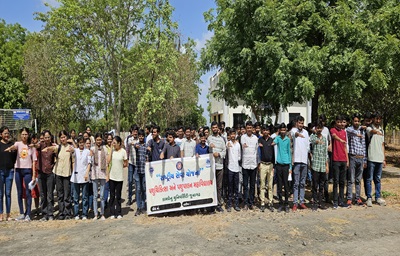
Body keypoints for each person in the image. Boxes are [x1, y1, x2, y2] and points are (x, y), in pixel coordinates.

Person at [4, 127, 37, 221]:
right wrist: (10, 148)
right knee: (19, 192)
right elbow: (14, 147)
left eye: (26, 134)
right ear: (20, 135)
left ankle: (28, 214)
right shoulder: (18, 144)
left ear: (28, 135)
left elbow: (34, 161)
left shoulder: (31, 146)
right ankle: (22, 213)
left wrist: (34, 175)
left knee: (28, 192)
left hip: (27, 171)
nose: (24, 136)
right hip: (18, 170)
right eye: (22, 134)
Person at [44, 130, 74, 220]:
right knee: (60, 194)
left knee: (67, 195)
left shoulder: (70, 147)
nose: (63, 139)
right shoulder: (58, 147)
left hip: (67, 173)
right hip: (58, 173)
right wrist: (47, 148)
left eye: (64, 137)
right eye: (61, 137)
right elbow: (53, 148)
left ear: (67, 137)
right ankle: (61, 213)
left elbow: (73, 160)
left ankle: (67, 212)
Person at [35, 130, 57, 221]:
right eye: (45, 137)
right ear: (43, 138)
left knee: (50, 195)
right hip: (41, 173)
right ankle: (44, 214)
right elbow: (36, 145)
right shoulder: (40, 145)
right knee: (43, 195)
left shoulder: (54, 146)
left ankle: (50, 213)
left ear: (50, 137)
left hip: (50, 173)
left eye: (48, 137)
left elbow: (57, 156)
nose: (47, 139)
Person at [346, 113, 367, 207]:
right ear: (352, 121)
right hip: (353, 157)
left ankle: (357, 198)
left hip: (361, 157)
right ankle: (349, 198)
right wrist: (357, 131)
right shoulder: (350, 130)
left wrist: (365, 159)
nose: (357, 122)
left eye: (358, 121)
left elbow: (364, 146)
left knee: (358, 180)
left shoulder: (362, 131)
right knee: (351, 179)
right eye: (355, 121)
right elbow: (348, 130)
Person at [366, 112, 386, 207]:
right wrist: (376, 131)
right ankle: (369, 197)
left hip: (379, 158)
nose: (378, 120)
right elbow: (370, 131)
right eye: (376, 119)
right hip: (371, 157)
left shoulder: (382, 130)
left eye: (379, 119)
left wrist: (384, 159)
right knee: (369, 178)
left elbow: (382, 145)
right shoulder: (369, 128)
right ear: (373, 119)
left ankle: (377, 197)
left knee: (378, 179)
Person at [290, 115, 310, 211]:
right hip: (297, 160)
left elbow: (308, 146)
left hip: (304, 160)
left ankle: (301, 201)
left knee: (302, 183)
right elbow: (292, 134)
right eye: (299, 123)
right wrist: (297, 134)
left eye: (302, 123)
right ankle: (295, 202)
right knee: (296, 183)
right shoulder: (293, 131)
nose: (301, 124)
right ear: (296, 123)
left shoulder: (306, 133)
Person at [207, 121, 226, 212]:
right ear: (211, 129)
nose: (214, 129)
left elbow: (224, 151)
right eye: (213, 127)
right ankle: (211, 205)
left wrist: (218, 154)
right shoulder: (209, 138)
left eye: (216, 127)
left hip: (220, 166)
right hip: (211, 166)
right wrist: (210, 144)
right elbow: (208, 143)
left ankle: (218, 204)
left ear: (218, 128)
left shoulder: (222, 139)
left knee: (219, 186)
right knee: (211, 185)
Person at [330, 115, 349, 209]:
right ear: (336, 122)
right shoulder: (333, 130)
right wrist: (340, 139)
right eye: (338, 122)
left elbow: (345, 147)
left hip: (343, 160)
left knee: (342, 182)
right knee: (336, 181)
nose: (340, 124)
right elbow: (333, 136)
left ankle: (341, 201)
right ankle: (335, 201)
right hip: (336, 159)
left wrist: (347, 160)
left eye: (341, 122)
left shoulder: (344, 132)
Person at [272, 123, 291, 213]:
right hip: (278, 164)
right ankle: (280, 203)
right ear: (279, 130)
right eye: (281, 130)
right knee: (279, 185)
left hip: (286, 164)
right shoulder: (278, 138)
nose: (283, 131)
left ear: (286, 130)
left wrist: (290, 166)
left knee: (286, 185)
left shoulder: (287, 139)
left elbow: (289, 152)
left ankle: (286, 203)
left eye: (284, 130)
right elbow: (272, 143)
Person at [107, 136, 127, 219]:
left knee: (118, 195)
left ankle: (118, 212)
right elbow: (108, 161)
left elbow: (126, 163)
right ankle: (112, 212)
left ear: (119, 143)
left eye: (115, 142)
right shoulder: (113, 151)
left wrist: (120, 166)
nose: (113, 144)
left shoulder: (123, 152)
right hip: (112, 176)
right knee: (112, 195)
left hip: (119, 177)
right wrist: (111, 149)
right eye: (113, 142)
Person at [310, 121, 329, 211]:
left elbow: (326, 153)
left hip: (322, 164)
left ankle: (321, 202)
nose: (319, 130)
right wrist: (316, 140)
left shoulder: (325, 139)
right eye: (317, 128)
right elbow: (311, 142)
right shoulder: (312, 137)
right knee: (315, 185)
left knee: (321, 185)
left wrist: (327, 165)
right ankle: (314, 202)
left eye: (320, 128)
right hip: (315, 165)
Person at [71, 137, 90, 220]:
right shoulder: (75, 150)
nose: (81, 144)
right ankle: (76, 214)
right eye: (80, 142)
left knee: (85, 197)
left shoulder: (87, 151)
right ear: (78, 143)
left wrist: (87, 173)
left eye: (83, 142)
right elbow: (72, 152)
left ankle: (84, 214)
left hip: (84, 176)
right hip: (76, 176)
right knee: (76, 197)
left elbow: (89, 163)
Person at [240, 121, 259, 211]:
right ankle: (246, 203)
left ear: (252, 129)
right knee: (245, 185)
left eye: (250, 128)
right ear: (246, 128)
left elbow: (256, 151)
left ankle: (251, 202)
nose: (249, 129)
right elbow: (243, 146)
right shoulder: (243, 137)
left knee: (252, 185)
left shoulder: (255, 138)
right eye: (247, 128)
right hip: (245, 164)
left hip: (253, 164)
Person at [0, 126, 17, 221]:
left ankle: (8, 214)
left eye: (8, 133)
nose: (7, 135)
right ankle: (1, 214)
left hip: (10, 171)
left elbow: (15, 158)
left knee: (8, 193)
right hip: (0, 172)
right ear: (1, 134)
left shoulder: (12, 145)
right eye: (5, 133)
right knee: (0, 194)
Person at [91, 132, 108, 220]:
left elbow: (107, 162)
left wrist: (107, 175)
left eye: (100, 140)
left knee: (101, 195)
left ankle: (102, 213)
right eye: (97, 140)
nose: (98, 141)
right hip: (94, 173)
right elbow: (89, 160)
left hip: (102, 173)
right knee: (95, 195)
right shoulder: (93, 149)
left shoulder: (104, 149)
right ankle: (95, 214)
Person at [258, 125, 275, 212]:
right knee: (262, 185)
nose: (265, 132)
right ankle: (262, 202)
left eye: (267, 130)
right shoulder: (260, 140)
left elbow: (274, 153)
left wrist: (274, 166)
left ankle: (270, 202)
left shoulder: (272, 140)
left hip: (270, 165)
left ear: (269, 132)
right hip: (263, 165)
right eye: (264, 130)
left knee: (270, 185)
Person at [226, 128, 241, 212]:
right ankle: (229, 205)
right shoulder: (228, 143)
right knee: (230, 187)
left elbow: (239, 156)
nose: (232, 136)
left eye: (233, 134)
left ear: (235, 135)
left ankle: (236, 204)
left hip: (236, 168)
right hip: (230, 168)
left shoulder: (238, 145)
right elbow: (225, 149)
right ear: (229, 135)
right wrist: (227, 146)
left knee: (236, 188)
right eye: (231, 134)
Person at [134, 129, 148, 216]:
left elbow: (147, 157)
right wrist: (135, 146)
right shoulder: (136, 145)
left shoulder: (146, 146)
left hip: (144, 170)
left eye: (142, 136)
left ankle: (143, 206)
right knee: (138, 189)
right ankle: (138, 207)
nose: (141, 137)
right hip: (137, 170)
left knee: (143, 188)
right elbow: (133, 145)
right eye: (140, 136)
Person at [126, 125, 138, 206]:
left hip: (138, 163)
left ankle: (137, 197)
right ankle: (129, 198)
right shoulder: (129, 139)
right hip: (131, 162)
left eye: (136, 131)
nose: (135, 133)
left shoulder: (140, 139)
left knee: (137, 181)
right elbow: (129, 143)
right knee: (130, 181)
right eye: (134, 131)